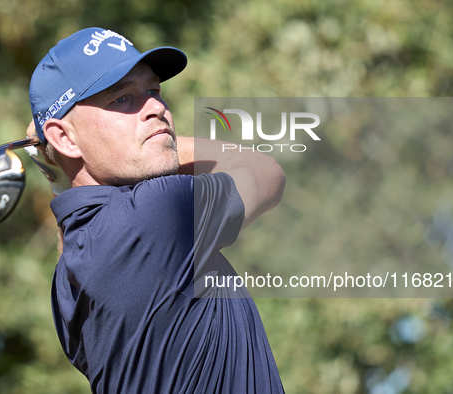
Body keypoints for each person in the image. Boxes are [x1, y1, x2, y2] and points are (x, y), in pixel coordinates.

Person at [28, 27, 286, 393]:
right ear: (65, 138)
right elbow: (265, 171)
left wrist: (62, 170)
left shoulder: (65, 280)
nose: (156, 108)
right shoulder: (155, 212)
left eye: (153, 90)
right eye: (122, 99)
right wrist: (165, 142)